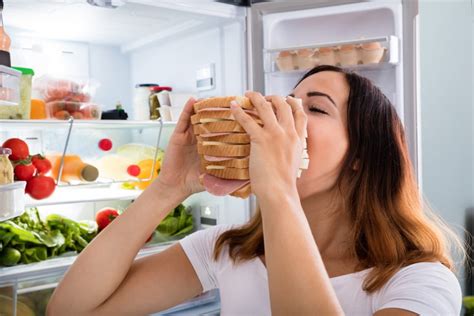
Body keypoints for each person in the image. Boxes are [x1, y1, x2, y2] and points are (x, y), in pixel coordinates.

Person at [46, 65, 462, 315]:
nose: (283, 115)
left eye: (314, 108)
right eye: (285, 100)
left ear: (362, 156)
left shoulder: (419, 282)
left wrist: (278, 190)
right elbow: (70, 310)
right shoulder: (230, 250)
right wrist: (168, 186)